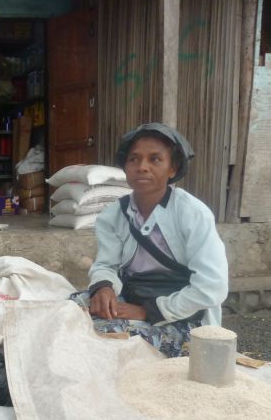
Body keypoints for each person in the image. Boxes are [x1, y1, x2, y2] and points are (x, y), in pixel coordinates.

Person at [71, 122, 228, 357]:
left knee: (104, 334)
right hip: (133, 298)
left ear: (172, 168)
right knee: (70, 310)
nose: (142, 167)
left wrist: (149, 311)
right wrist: (104, 288)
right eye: (134, 159)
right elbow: (106, 265)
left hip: (184, 317)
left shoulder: (193, 213)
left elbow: (212, 286)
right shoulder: (113, 215)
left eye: (155, 159)